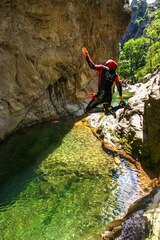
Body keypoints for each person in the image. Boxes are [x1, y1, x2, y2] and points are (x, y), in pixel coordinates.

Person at [82, 47, 125, 115]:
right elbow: (118, 85)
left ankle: (105, 109)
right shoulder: (115, 75)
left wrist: (87, 55)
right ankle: (119, 106)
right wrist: (121, 96)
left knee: (88, 110)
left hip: (101, 95)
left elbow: (92, 66)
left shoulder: (103, 68)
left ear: (108, 64)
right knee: (108, 112)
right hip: (109, 96)